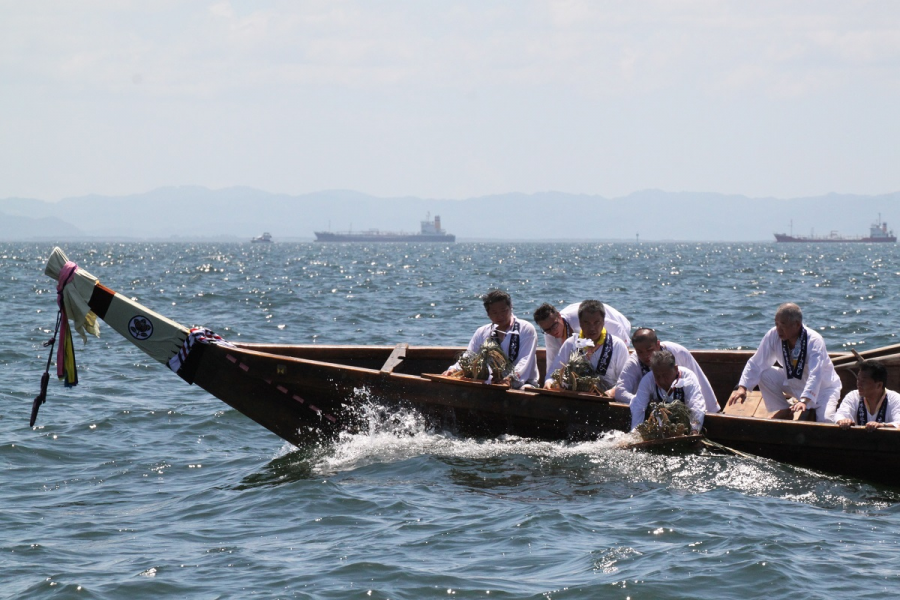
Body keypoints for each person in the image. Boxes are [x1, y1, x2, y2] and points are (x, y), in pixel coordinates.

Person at [727, 303, 842, 421]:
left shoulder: (814, 341)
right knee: (764, 373)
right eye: (776, 324)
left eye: (783, 325)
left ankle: (834, 414)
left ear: (797, 324)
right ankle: (783, 409)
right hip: (794, 384)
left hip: (824, 390)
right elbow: (756, 362)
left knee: (826, 420)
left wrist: (805, 400)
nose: (778, 329)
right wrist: (743, 387)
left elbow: (815, 374)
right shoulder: (773, 334)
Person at [442, 289, 539, 388]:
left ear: (511, 307)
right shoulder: (482, 332)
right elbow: (469, 356)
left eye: (504, 311)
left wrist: (510, 378)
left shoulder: (526, 329)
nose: (500, 316)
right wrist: (454, 369)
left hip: (523, 383)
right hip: (493, 383)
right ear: (488, 314)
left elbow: (525, 359)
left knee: (524, 389)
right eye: (494, 312)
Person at [615, 328, 719, 413]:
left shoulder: (679, 353)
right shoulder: (634, 361)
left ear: (658, 344)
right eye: (640, 352)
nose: (645, 355)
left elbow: (699, 382)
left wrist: (712, 411)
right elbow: (620, 391)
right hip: (654, 410)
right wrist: (642, 401)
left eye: (649, 350)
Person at [543, 299, 628, 390]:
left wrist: (612, 392)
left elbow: (626, 381)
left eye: (596, 322)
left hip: (606, 399)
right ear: (580, 323)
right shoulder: (570, 344)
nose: (592, 328)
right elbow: (552, 374)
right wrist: (549, 383)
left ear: (603, 322)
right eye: (586, 323)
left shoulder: (618, 346)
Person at [629, 350, 708, 432]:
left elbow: (696, 404)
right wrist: (635, 433)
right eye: (657, 376)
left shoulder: (688, 377)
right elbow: (638, 407)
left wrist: (694, 430)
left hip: (686, 426)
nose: (662, 380)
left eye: (665, 375)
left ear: (676, 369)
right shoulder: (647, 380)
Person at [835, 360, 900, 430]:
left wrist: (882, 425)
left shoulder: (895, 399)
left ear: (879, 385)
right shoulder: (853, 396)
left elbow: (899, 423)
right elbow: (840, 415)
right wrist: (843, 420)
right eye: (858, 380)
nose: (858, 384)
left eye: (863, 381)